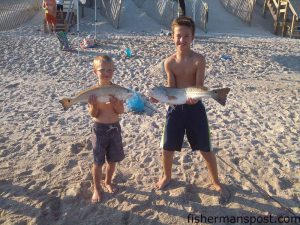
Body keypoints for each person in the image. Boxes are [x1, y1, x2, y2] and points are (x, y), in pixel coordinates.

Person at [152, 16, 231, 204]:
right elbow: (171, 90)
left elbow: (199, 86)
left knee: (205, 147)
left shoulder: (199, 60)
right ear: (172, 37)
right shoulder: (169, 62)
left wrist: (195, 99)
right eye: (178, 36)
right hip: (175, 110)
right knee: (167, 147)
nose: (182, 40)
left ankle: (215, 180)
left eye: (186, 36)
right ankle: (167, 176)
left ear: (193, 37)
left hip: (195, 108)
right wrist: (161, 99)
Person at [88, 55, 125, 203]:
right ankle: (97, 188)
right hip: (99, 129)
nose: (106, 72)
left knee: (112, 161)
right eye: (102, 70)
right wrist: (94, 105)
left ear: (114, 71)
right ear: (94, 71)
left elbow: (120, 111)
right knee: (98, 162)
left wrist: (116, 104)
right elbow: (93, 114)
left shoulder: (117, 90)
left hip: (115, 129)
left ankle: (108, 182)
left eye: (109, 70)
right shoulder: (92, 92)